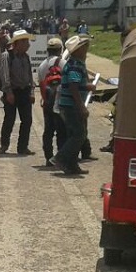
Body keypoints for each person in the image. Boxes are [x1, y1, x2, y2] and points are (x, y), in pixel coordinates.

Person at [54, 36, 95, 176]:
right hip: (71, 105)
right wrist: (81, 106)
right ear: (78, 50)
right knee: (79, 135)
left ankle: (72, 165)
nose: (86, 49)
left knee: (74, 134)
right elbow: (73, 86)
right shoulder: (75, 66)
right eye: (84, 47)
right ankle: (61, 158)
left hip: (69, 104)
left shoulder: (75, 64)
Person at [0, 29, 36, 155]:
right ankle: (4, 145)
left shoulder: (26, 57)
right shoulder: (6, 56)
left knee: (27, 120)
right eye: (25, 42)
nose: (28, 45)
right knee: (9, 119)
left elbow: (29, 75)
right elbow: (5, 75)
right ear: (17, 43)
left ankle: (23, 146)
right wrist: (8, 92)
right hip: (12, 92)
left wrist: (32, 91)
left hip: (24, 91)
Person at [38, 37, 65, 163]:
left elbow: (41, 86)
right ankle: (61, 157)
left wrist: (45, 100)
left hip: (48, 102)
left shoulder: (42, 66)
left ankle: (48, 157)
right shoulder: (63, 63)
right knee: (62, 131)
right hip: (61, 102)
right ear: (60, 49)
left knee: (48, 131)